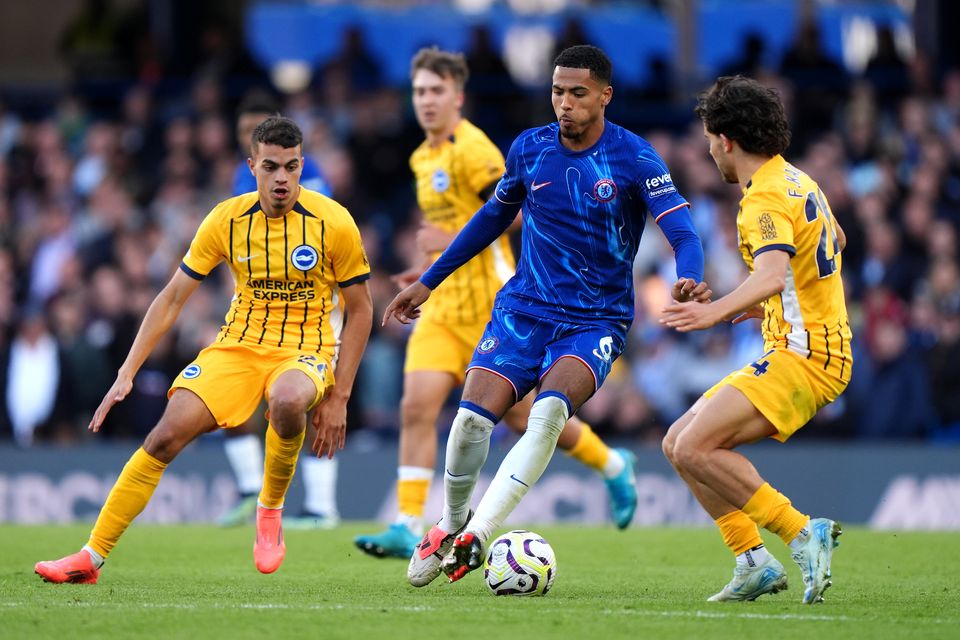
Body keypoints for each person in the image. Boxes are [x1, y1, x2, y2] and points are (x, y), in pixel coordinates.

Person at [383, 45, 707, 586]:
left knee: (548, 413)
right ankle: (451, 522)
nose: (564, 103)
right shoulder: (530, 150)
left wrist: (689, 272)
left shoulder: (633, 156)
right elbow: (491, 219)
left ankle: (477, 536)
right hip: (525, 309)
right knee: (468, 423)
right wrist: (427, 281)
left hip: (595, 320)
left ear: (604, 96)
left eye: (577, 93)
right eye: (557, 91)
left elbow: (680, 230)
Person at [35, 116, 372, 583]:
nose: (282, 179)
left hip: (305, 348)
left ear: (300, 167)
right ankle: (89, 558)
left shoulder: (333, 222)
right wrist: (127, 372)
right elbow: (172, 297)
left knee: (289, 401)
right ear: (251, 166)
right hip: (236, 346)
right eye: (271, 167)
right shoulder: (226, 219)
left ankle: (269, 512)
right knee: (163, 437)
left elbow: (362, 309)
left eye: (292, 168)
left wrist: (340, 396)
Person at [354, 48, 641, 560]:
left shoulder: (477, 150)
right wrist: (430, 271)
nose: (425, 101)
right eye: (418, 91)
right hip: (444, 309)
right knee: (416, 407)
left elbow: (510, 212)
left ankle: (612, 464)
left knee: (524, 418)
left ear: (457, 96)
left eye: (436, 91)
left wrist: (444, 237)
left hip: (501, 301)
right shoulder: (424, 157)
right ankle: (406, 522)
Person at [660, 75, 851, 604]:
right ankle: (751, 561)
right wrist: (769, 306)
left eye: (707, 139)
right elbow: (834, 241)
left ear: (725, 140)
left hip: (805, 355)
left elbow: (770, 276)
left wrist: (716, 313)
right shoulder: (796, 180)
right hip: (806, 343)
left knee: (698, 445)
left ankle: (799, 531)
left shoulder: (762, 199)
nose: (707, 150)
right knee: (678, 442)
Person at [219, 91, 340, 529]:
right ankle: (253, 487)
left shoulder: (310, 178)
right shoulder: (240, 177)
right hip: (259, 307)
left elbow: (319, 238)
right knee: (230, 396)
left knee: (307, 401)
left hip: (314, 307)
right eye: (242, 134)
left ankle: (322, 506)